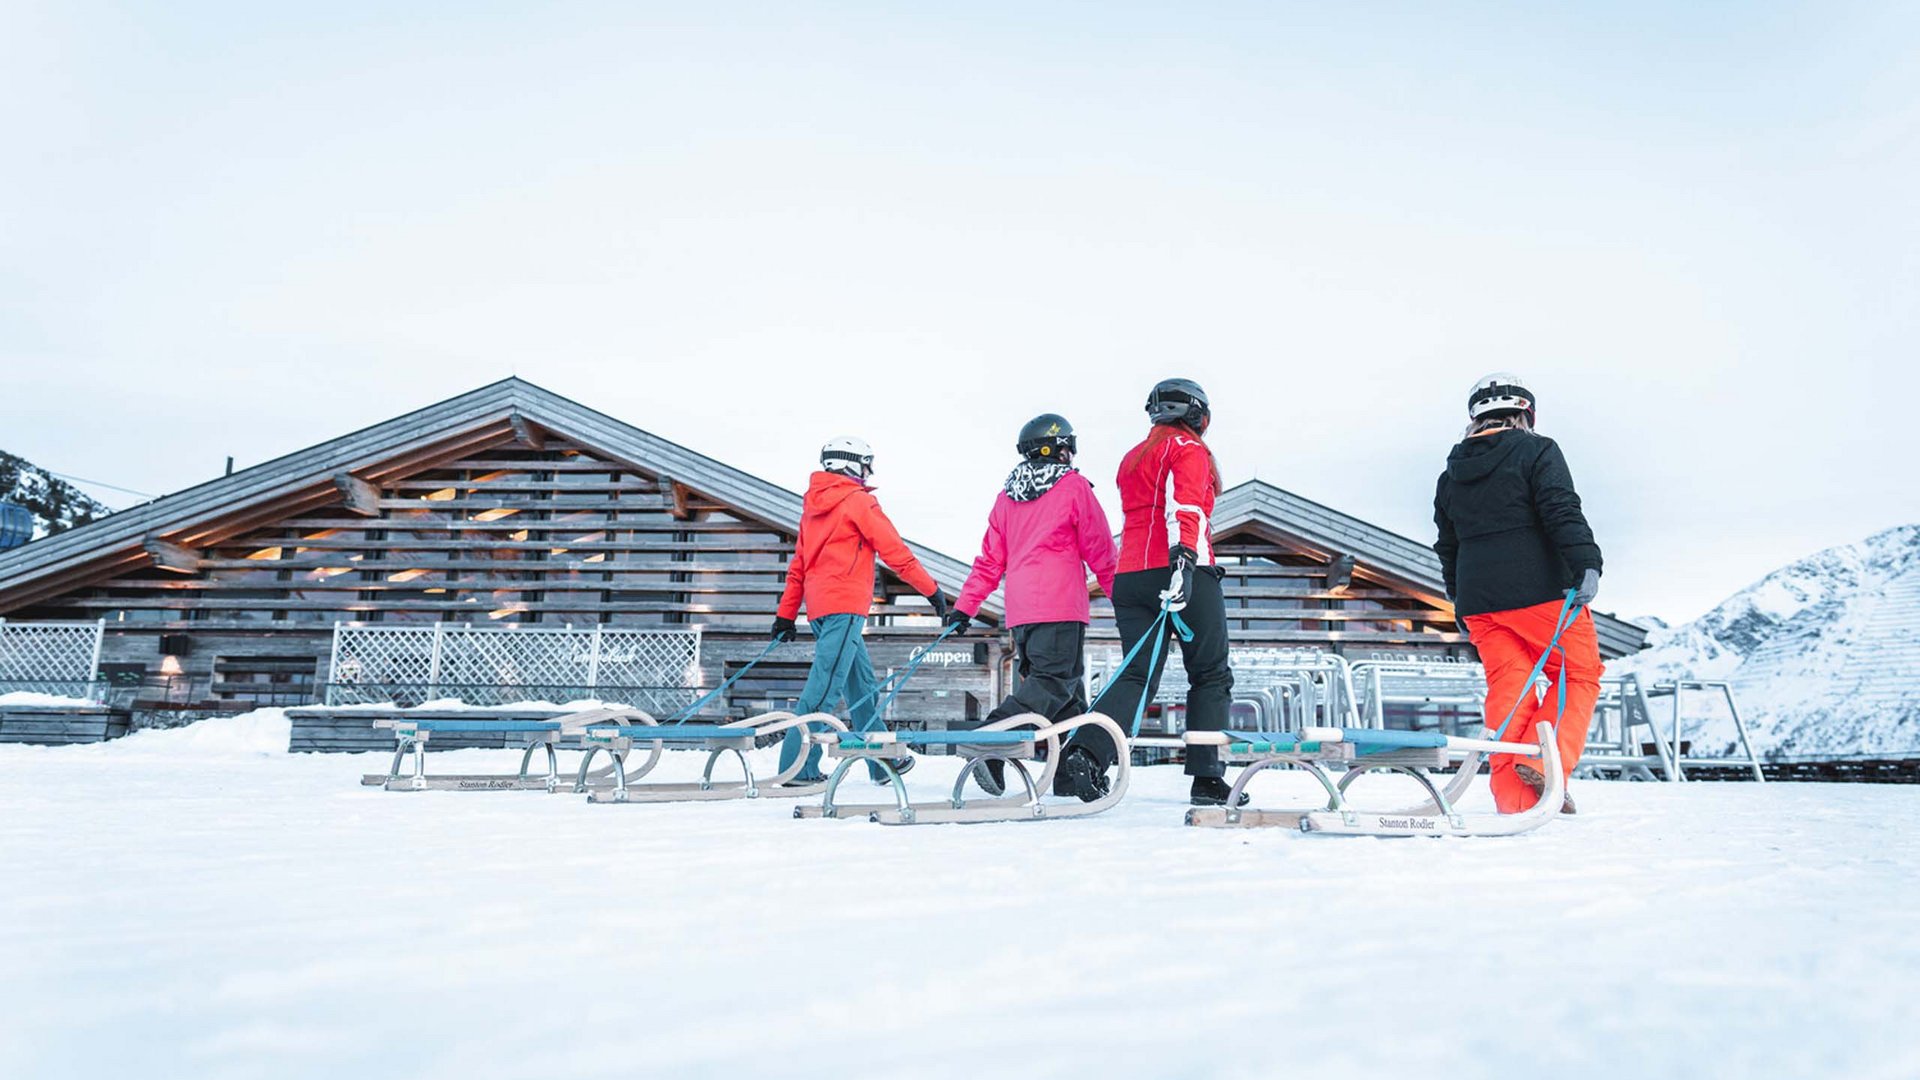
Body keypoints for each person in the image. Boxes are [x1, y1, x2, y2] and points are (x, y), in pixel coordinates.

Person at [1433, 373, 1605, 815]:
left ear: (1476, 418)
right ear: (1526, 413)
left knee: (1511, 691)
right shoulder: (1537, 450)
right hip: (1540, 590)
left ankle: (1515, 799)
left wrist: (1458, 598)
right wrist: (1587, 561)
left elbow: (1448, 545)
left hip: (1479, 601)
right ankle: (1545, 766)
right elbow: (1560, 506)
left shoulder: (1451, 474)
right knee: (1578, 675)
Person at [1064, 378, 1240, 807]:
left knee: (1137, 673)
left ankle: (1088, 752)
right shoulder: (1189, 449)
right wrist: (1184, 561)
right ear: (1198, 414)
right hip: (1180, 568)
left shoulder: (1132, 457)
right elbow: (1185, 508)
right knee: (1211, 674)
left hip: (1132, 576)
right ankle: (1207, 777)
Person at [944, 414, 1118, 796]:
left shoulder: (1007, 497)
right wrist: (1125, 602)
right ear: (1058, 449)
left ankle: (1070, 777)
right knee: (1053, 684)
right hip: (1060, 608)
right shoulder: (1073, 488)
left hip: (1022, 615)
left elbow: (990, 560)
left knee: (1068, 698)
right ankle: (993, 741)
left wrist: (965, 607)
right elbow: (1101, 551)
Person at [773, 435, 949, 784]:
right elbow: (895, 551)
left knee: (861, 687)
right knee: (822, 690)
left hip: (823, 610)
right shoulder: (857, 502)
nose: (869, 473)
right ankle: (797, 769)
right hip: (845, 606)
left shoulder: (813, 507)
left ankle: (881, 761)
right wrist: (932, 592)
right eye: (867, 464)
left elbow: (799, 566)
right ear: (851, 464)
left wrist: (787, 615)